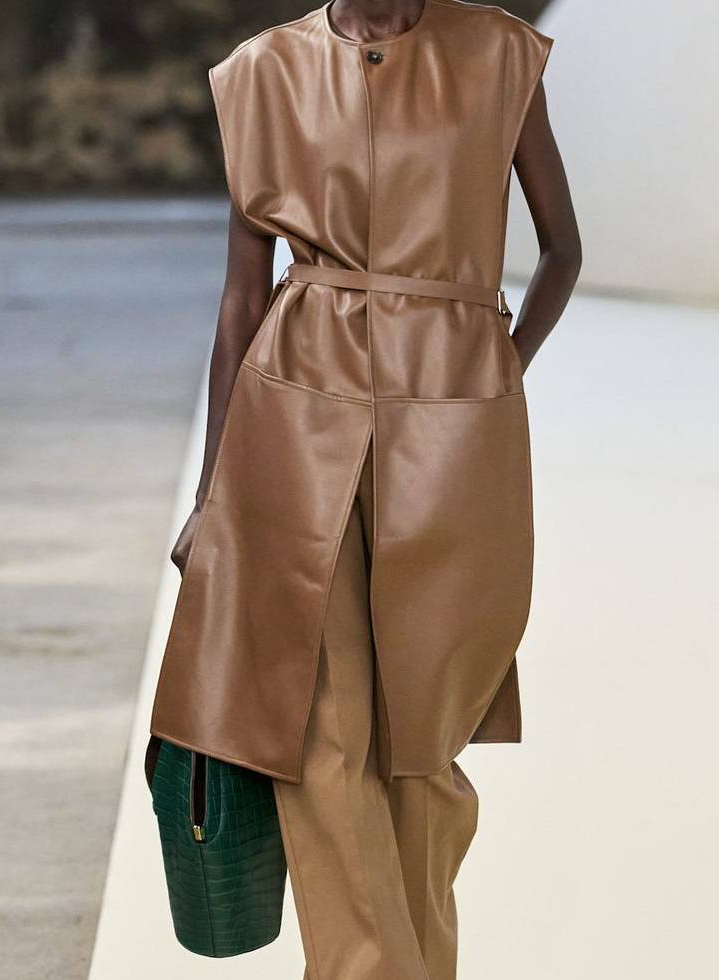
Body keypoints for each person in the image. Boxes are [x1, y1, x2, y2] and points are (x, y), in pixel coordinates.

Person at [148, 1, 580, 976]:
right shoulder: (264, 70)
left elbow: (564, 250)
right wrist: (211, 493)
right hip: (293, 417)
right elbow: (240, 298)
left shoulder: (498, 54)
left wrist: (496, 372)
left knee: (424, 739)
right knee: (317, 720)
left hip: (453, 429)